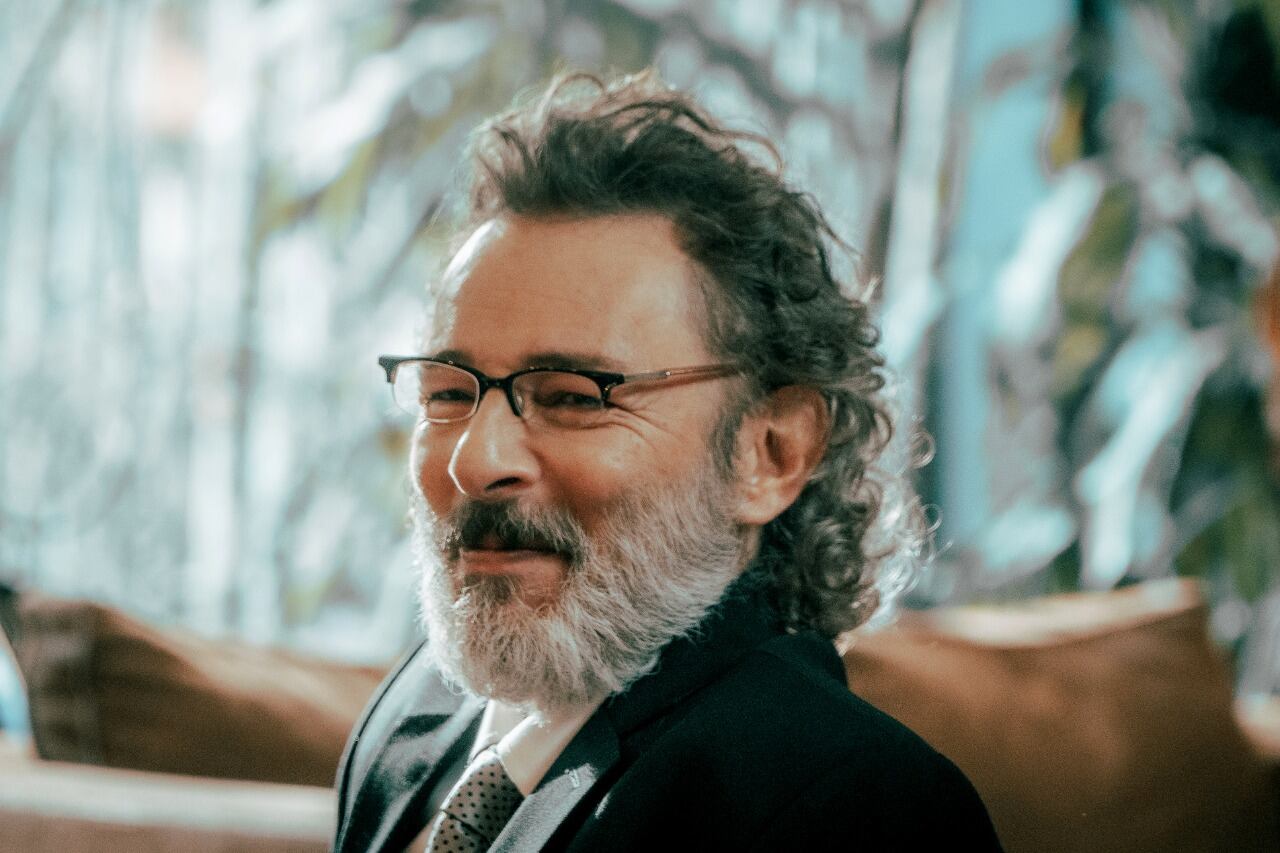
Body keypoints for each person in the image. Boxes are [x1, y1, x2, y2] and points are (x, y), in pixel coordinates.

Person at [333, 70, 1002, 853]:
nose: (474, 462)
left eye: (573, 397)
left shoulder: (855, 807)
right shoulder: (411, 717)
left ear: (771, 453)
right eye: (448, 392)